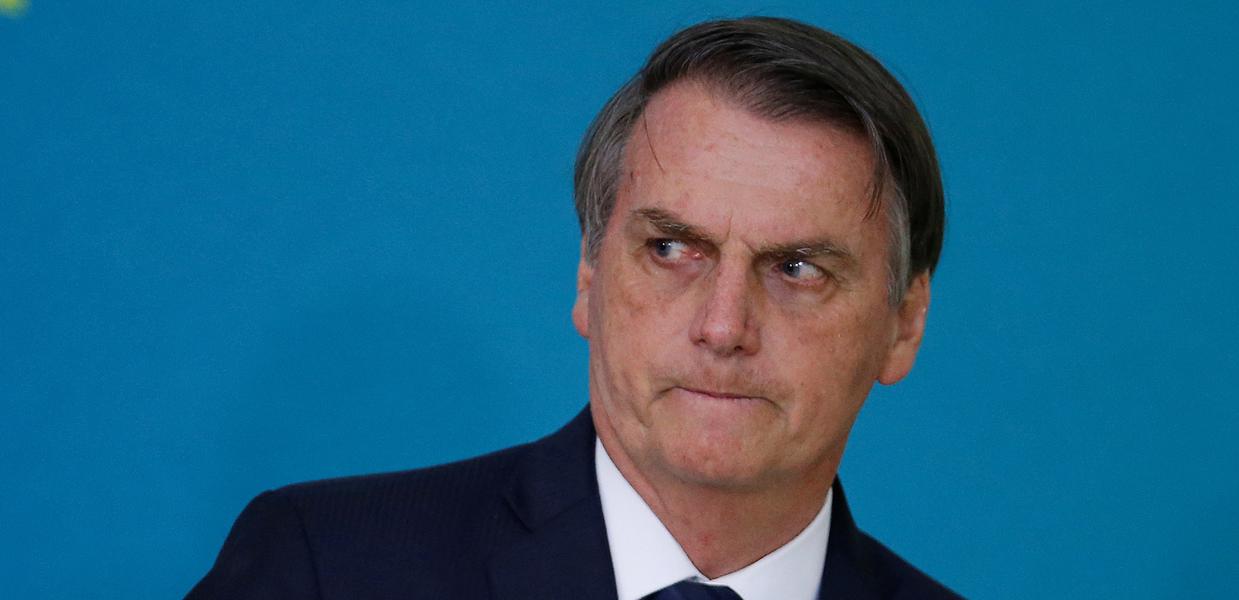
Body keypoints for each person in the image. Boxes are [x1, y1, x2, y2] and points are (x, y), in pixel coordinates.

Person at [188, 16, 956, 600]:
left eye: (797, 269)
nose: (723, 327)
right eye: (671, 249)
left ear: (904, 323)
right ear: (589, 275)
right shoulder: (326, 571)